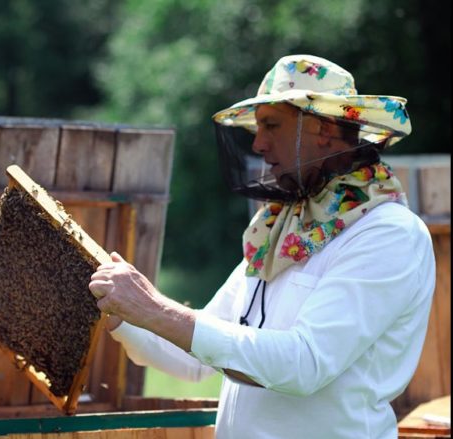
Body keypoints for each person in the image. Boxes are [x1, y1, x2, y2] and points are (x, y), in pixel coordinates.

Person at [89, 54, 436, 438]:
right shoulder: (283, 228)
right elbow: (195, 358)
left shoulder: (388, 234)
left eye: (271, 125)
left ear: (322, 129)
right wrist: (118, 312)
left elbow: (304, 364)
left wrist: (155, 309)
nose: (258, 143)